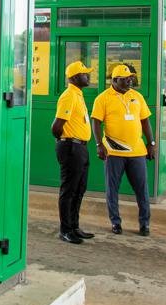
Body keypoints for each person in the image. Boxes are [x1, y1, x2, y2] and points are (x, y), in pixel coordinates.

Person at [91, 64, 155, 236]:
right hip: (114, 152)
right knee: (112, 189)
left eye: (131, 78)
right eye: (126, 79)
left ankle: (144, 224)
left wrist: (151, 143)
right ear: (115, 80)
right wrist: (99, 144)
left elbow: (145, 121)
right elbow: (96, 122)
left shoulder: (137, 97)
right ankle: (115, 222)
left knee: (142, 190)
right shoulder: (103, 98)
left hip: (137, 152)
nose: (130, 81)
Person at [51, 61, 96, 244]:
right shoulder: (69, 96)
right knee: (69, 190)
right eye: (85, 74)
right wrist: (65, 142)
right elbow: (56, 127)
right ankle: (65, 230)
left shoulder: (78, 94)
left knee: (79, 189)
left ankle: (74, 227)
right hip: (71, 148)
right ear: (76, 77)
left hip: (80, 147)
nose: (88, 76)